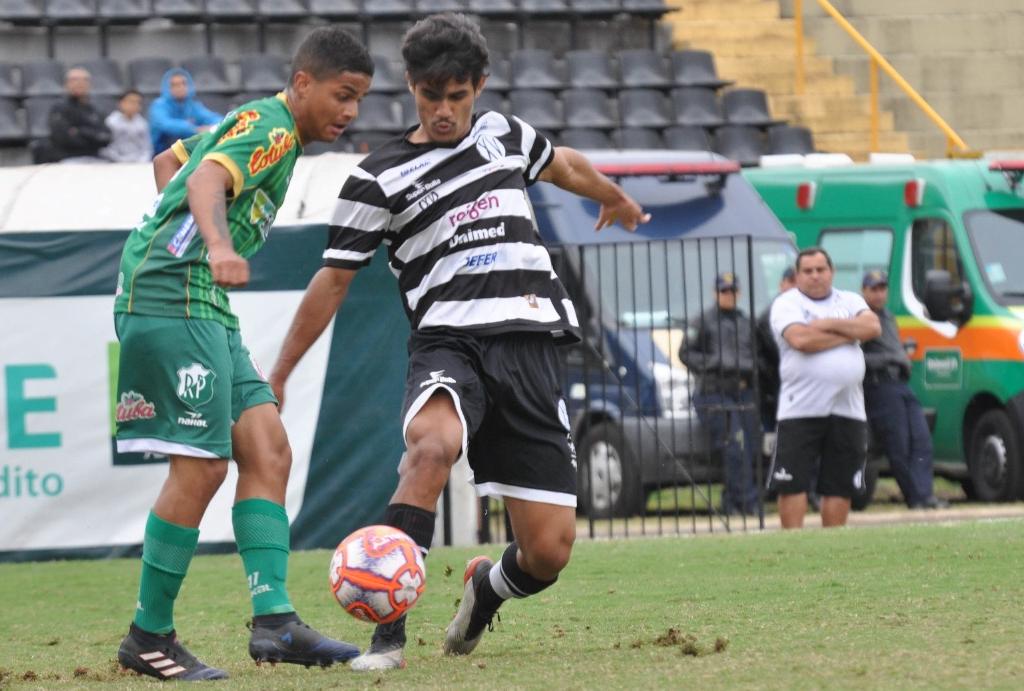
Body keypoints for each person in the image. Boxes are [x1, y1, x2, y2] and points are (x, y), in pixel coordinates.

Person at [268, 12, 650, 672]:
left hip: (530, 345)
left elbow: (562, 164)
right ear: (410, 85)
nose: (443, 111)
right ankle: (388, 639)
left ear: (480, 85)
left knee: (548, 553)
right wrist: (278, 373)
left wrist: (611, 193)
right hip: (449, 343)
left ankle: (485, 589)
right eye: (430, 95)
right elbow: (331, 282)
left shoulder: (505, 135)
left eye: (457, 96)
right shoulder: (376, 179)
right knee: (432, 446)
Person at [112, 27, 374, 681]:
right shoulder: (274, 129)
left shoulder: (257, 122)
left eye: (359, 100)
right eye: (343, 95)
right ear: (303, 83)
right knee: (203, 466)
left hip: (199, 300)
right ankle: (147, 635)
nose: (350, 112)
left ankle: (275, 622)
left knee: (267, 447)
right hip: (173, 296)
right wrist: (214, 245)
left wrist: (176, 228)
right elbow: (203, 176)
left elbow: (170, 163)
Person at [767, 248, 881, 529]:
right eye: (808, 271)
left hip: (848, 408)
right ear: (797, 275)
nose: (815, 276)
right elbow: (801, 340)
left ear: (832, 272)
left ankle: (833, 544)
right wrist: (849, 334)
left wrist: (828, 324)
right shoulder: (787, 303)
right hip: (800, 407)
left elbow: (872, 327)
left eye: (821, 270)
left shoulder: (850, 299)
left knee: (840, 485)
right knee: (792, 483)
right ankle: (792, 544)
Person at [861, 270, 948, 510]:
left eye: (882, 288)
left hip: (900, 384)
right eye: (873, 289)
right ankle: (915, 498)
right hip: (880, 386)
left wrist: (901, 359)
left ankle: (925, 495)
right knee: (899, 446)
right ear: (864, 291)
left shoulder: (888, 317)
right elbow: (854, 358)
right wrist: (890, 358)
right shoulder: (862, 319)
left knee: (922, 440)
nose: (879, 294)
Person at [680, 272, 760, 515]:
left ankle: (738, 500)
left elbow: (759, 355)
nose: (728, 295)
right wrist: (714, 363)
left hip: (743, 391)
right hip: (713, 391)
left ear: (739, 292)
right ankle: (744, 503)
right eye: (724, 291)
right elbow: (686, 353)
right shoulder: (702, 321)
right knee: (734, 444)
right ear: (715, 293)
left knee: (750, 447)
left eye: (732, 290)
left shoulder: (746, 322)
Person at [148, 67, 222, 155]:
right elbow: (165, 124)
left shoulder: (192, 105)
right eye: (174, 85)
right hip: (161, 153)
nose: (180, 87)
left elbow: (211, 117)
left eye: (183, 83)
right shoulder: (159, 105)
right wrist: (195, 129)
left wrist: (216, 126)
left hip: (187, 153)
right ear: (167, 87)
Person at [46, 66, 112, 162]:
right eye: (74, 80)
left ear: (89, 84)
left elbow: (106, 137)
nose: (79, 83)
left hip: (96, 158)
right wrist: (92, 138)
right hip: (68, 159)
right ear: (66, 84)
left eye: (84, 80)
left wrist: (80, 131)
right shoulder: (59, 109)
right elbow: (63, 138)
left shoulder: (96, 110)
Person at [101, 89, 153, 162]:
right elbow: (107, 147)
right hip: (115, 161)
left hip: (139, 162)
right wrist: (120, 160)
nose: (134, 105)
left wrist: (142, 161)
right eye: (131, 102)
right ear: (121, 103)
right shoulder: (111, 122)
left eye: (138, 102)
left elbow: (147, 148)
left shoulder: (143, 123)